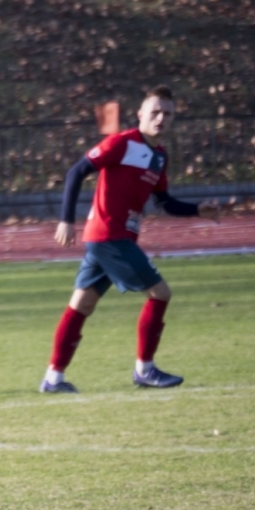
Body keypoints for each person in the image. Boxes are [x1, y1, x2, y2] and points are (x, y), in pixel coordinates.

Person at [40, 86, 219, 394]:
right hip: (111, 236)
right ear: (140, 115)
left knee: (81, 305)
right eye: (155, 112)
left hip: (108, 240)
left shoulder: (159, 157)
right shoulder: (121, 143)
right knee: (161, 293)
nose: (161, 118)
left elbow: (164, 202)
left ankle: (53, 379)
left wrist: (197, 210)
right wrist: (66, 220)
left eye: (168, 113)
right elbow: (76, 172)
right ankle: (145, 370)